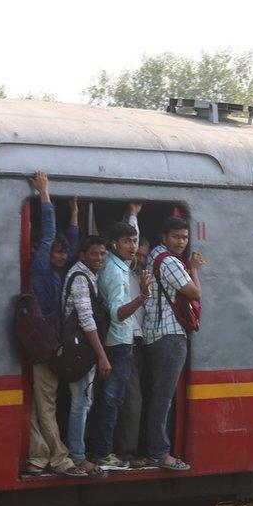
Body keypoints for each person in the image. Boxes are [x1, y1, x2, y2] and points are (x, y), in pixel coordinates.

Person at [25, 171, 88, 478]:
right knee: (47, 405)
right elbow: (50, 236)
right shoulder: (40, 268)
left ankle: (38, 459)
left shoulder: (58, 272)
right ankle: (61, 459)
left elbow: (72, 245)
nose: (63, 256)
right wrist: (44, 194)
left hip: (46, 346)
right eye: (57, 253)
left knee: (40, 405)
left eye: (64, 253)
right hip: (47, 349)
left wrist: (75, 213)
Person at [92, 204, 152, 470]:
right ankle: (105, 453)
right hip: (119, 343)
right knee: (112, 399)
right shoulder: (116, 273)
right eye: (126, 241)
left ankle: (105, 451)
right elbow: (117, 314)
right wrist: (142, 297)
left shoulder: (118, 263)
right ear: (113, 244)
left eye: (134, 240)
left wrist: (133, 217)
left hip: (117, 341)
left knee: (113, 399)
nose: (132, 245)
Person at [143, 216, 204, 470]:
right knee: (164, 397)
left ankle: (155, 448)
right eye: (177, 237)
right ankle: (159, 453)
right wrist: (194, 269)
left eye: (185, 237)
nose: (181, 242)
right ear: (164, 237)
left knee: (158, 395)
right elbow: (195, 293)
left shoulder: (154, 256)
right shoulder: (168, 261)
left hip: (156, 334)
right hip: (170, 336)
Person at [63, 235, 112, 477]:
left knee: (83, 401)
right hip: (80, 352)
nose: (100, 258)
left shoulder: (87, 275)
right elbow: (85, 320)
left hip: (82, 351)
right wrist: (102, 355)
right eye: (94, 254)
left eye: (103, 254)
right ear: (83, 255)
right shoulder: (81, 279)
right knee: (80, 403)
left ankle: (77, 452)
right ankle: (78, 456)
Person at [116, 235, 153, 467]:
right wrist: (132, 214)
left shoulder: (142, 277)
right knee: (131, 400)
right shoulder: (125, 273)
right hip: (126, 342)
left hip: (140, 343)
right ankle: (126, 453)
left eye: (143, 255)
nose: (139, 258)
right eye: (136, 253)